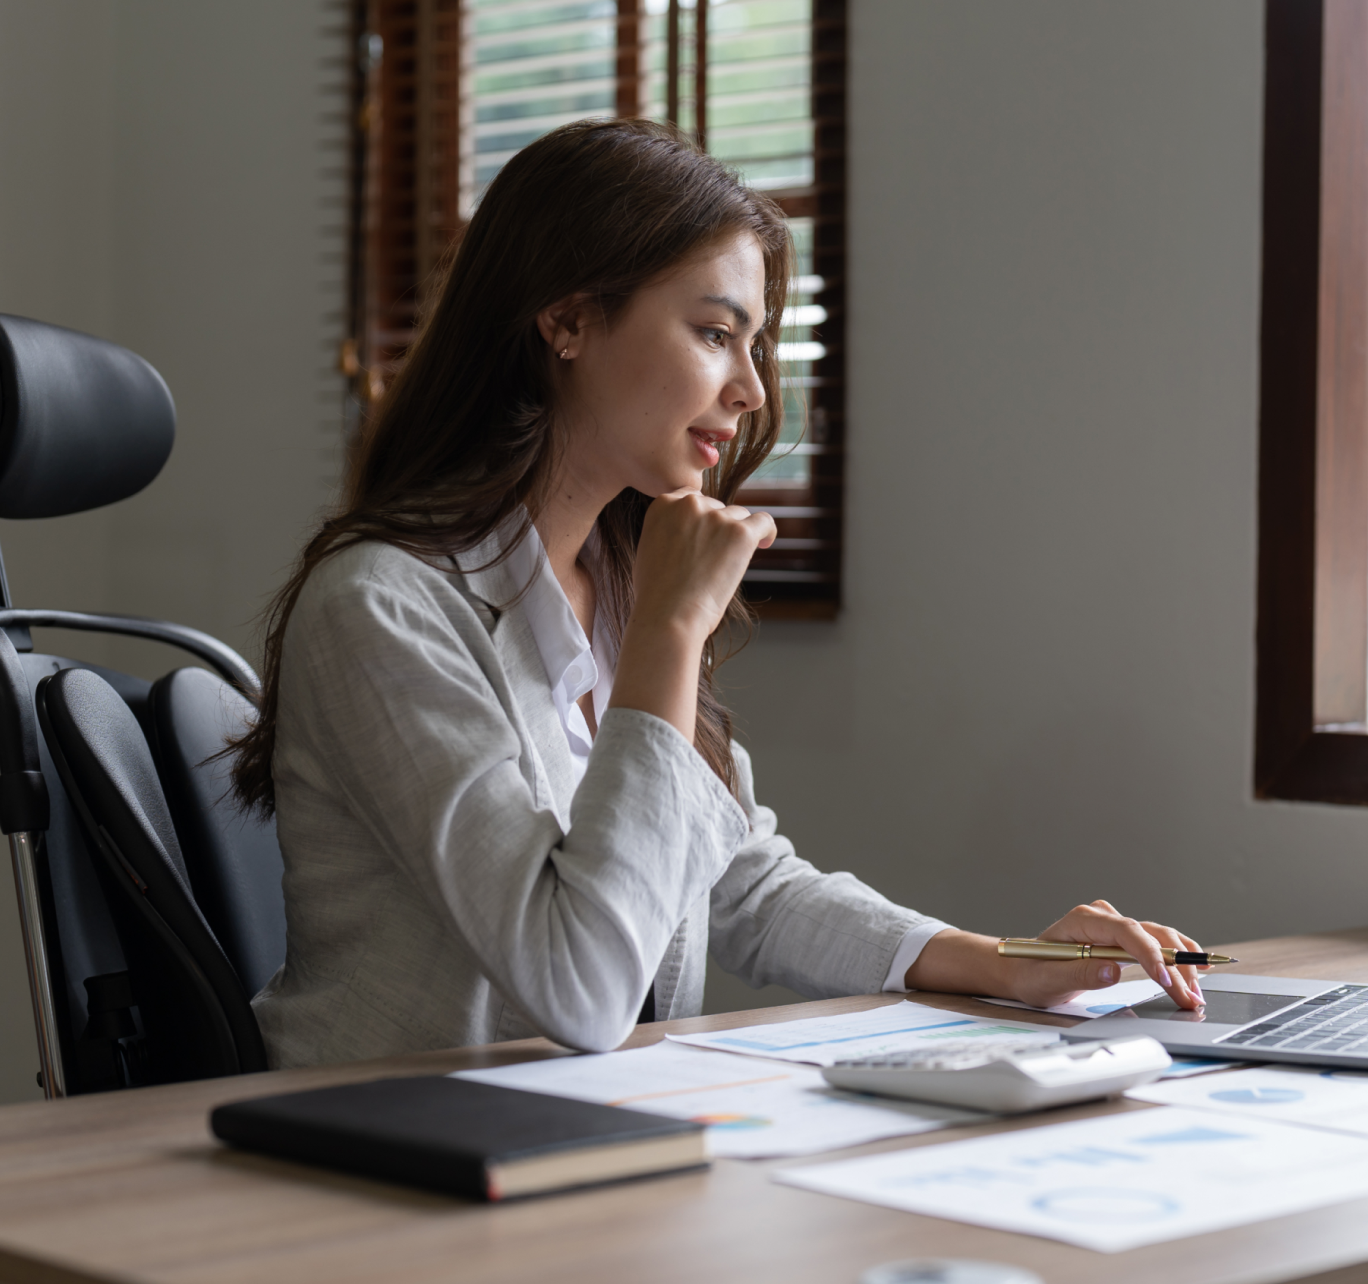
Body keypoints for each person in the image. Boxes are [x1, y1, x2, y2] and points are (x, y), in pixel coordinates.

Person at [231, 118, 1205, 1068]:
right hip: (382, 1165)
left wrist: (1006, 965)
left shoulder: (617, 585)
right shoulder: (383, 608)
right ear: (567, 320)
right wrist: (670, 630)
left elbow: (738, 882)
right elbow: (580, 989)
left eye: (755, 346)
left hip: (587, 1146)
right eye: (713, 333)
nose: (748, 390)